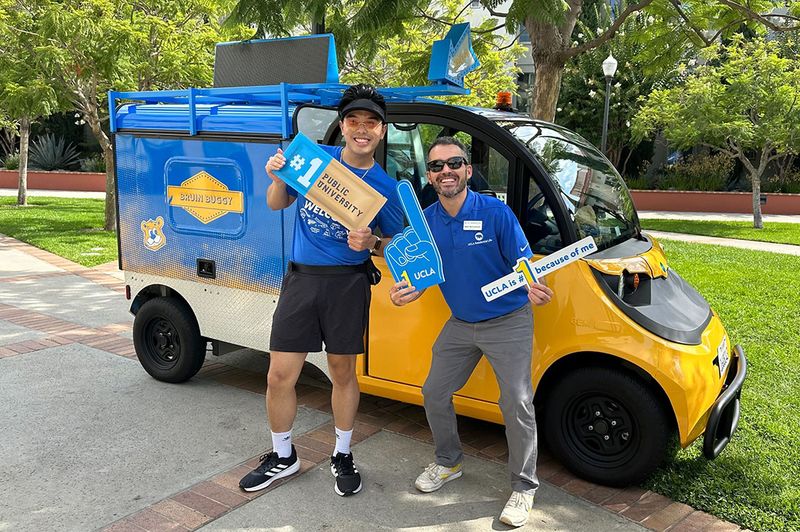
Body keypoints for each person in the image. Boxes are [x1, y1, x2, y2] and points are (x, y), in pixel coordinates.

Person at [239, 84, 404, 497]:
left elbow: (398, 243)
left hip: (347, 285)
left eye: (371, 123)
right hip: (301, 280)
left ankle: (342, 454)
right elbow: (277, 202)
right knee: (279, 375)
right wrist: (277, 175)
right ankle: (283, 457)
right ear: (343, 126)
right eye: (354, 121)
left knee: (343, 373)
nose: (361, 130)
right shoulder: (315, 160)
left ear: (382, 131)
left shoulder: (384, 186)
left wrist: (372, 244)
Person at [389, 136, 553, 527]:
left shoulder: (495, 212)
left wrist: (533, 285)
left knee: (516, 401)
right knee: (433, 392)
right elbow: (422, 271)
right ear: (429, 176)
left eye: (453, 163)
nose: (445, 171)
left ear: (467, 169)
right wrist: (406, 292)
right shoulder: (426, 220)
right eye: (436, 166)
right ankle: (449, 463)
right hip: (461, 323)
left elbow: (523, 260)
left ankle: (524, 486)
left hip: (508, 321)